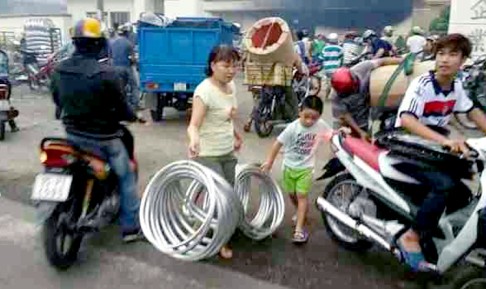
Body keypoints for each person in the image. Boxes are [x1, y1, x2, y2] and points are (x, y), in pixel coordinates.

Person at [394, 33, 486, 271]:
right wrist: (444, 142)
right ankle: (411, 236)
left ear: (463, 60)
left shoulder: (457, 86)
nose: (445, 59)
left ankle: (438, 228)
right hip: (405, 141)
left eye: (453, 54)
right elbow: (406, 120)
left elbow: (472, 111)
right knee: (444, 183)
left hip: (432, 144)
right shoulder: (423, 84)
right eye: (441, 53)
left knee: (466, 180)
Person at [50, 18, 143, 243]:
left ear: (76, 43)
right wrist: (135, 117)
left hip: (72, 135)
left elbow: (56, 98)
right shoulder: (107, 73)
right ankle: (131, 228)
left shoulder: (59, 68)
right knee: (127, 175)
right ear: (100, 43)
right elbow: (122, 108)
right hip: (105, 139)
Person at [187, 45, 242, 259]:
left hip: (227, 151)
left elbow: (227, 116)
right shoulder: (204, 91)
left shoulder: (232, 87)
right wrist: (194, 141)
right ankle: (219, 241)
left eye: (234, 66)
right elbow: (193, 125)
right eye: (226, 65)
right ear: (212, 65)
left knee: (229, 194)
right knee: (220, 197)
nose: (231, 70)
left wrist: (236, 135)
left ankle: (201, 225)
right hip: (207, 152)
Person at [261, 96, 332, 243]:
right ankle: (301, 211)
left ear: (319, 117)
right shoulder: (292, 128)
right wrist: (269, 162)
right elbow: (277, 144)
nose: (309, 121)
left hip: (306, 168)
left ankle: (299, 230)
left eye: (314, 118)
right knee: (292, 194)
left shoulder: (320, 125)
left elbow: (330, 134)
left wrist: (341, 131)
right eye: (306, 116)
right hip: (289, 167)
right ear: (300, 111)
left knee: (301, 196)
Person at [330, 57, 402, 139]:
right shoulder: (335, 97)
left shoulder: (362, 68)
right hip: (353, 113)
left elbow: (382, 61)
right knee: (349, 137)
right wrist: (360, 132)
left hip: (369, 101)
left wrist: (402, 61)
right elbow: (345, 115)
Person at [109, 24, 140, 111]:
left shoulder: (112, 43)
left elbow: (110, 57)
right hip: (126, 67)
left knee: (119, 87)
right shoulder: (128, 43)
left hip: (115, 68)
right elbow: (132, 58)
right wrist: (136, 64)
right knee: (134, 85)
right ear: (127, 33)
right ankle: (135, 104)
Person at [321, 33, 344, 98]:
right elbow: (341, 59)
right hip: (336, 69)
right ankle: (335, 97)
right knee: (335, 83)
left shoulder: (325, 48)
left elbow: (321, 58)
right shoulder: (340, 48)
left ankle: (326, 96)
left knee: (328, 82)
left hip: (327, 68)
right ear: (336, 40)